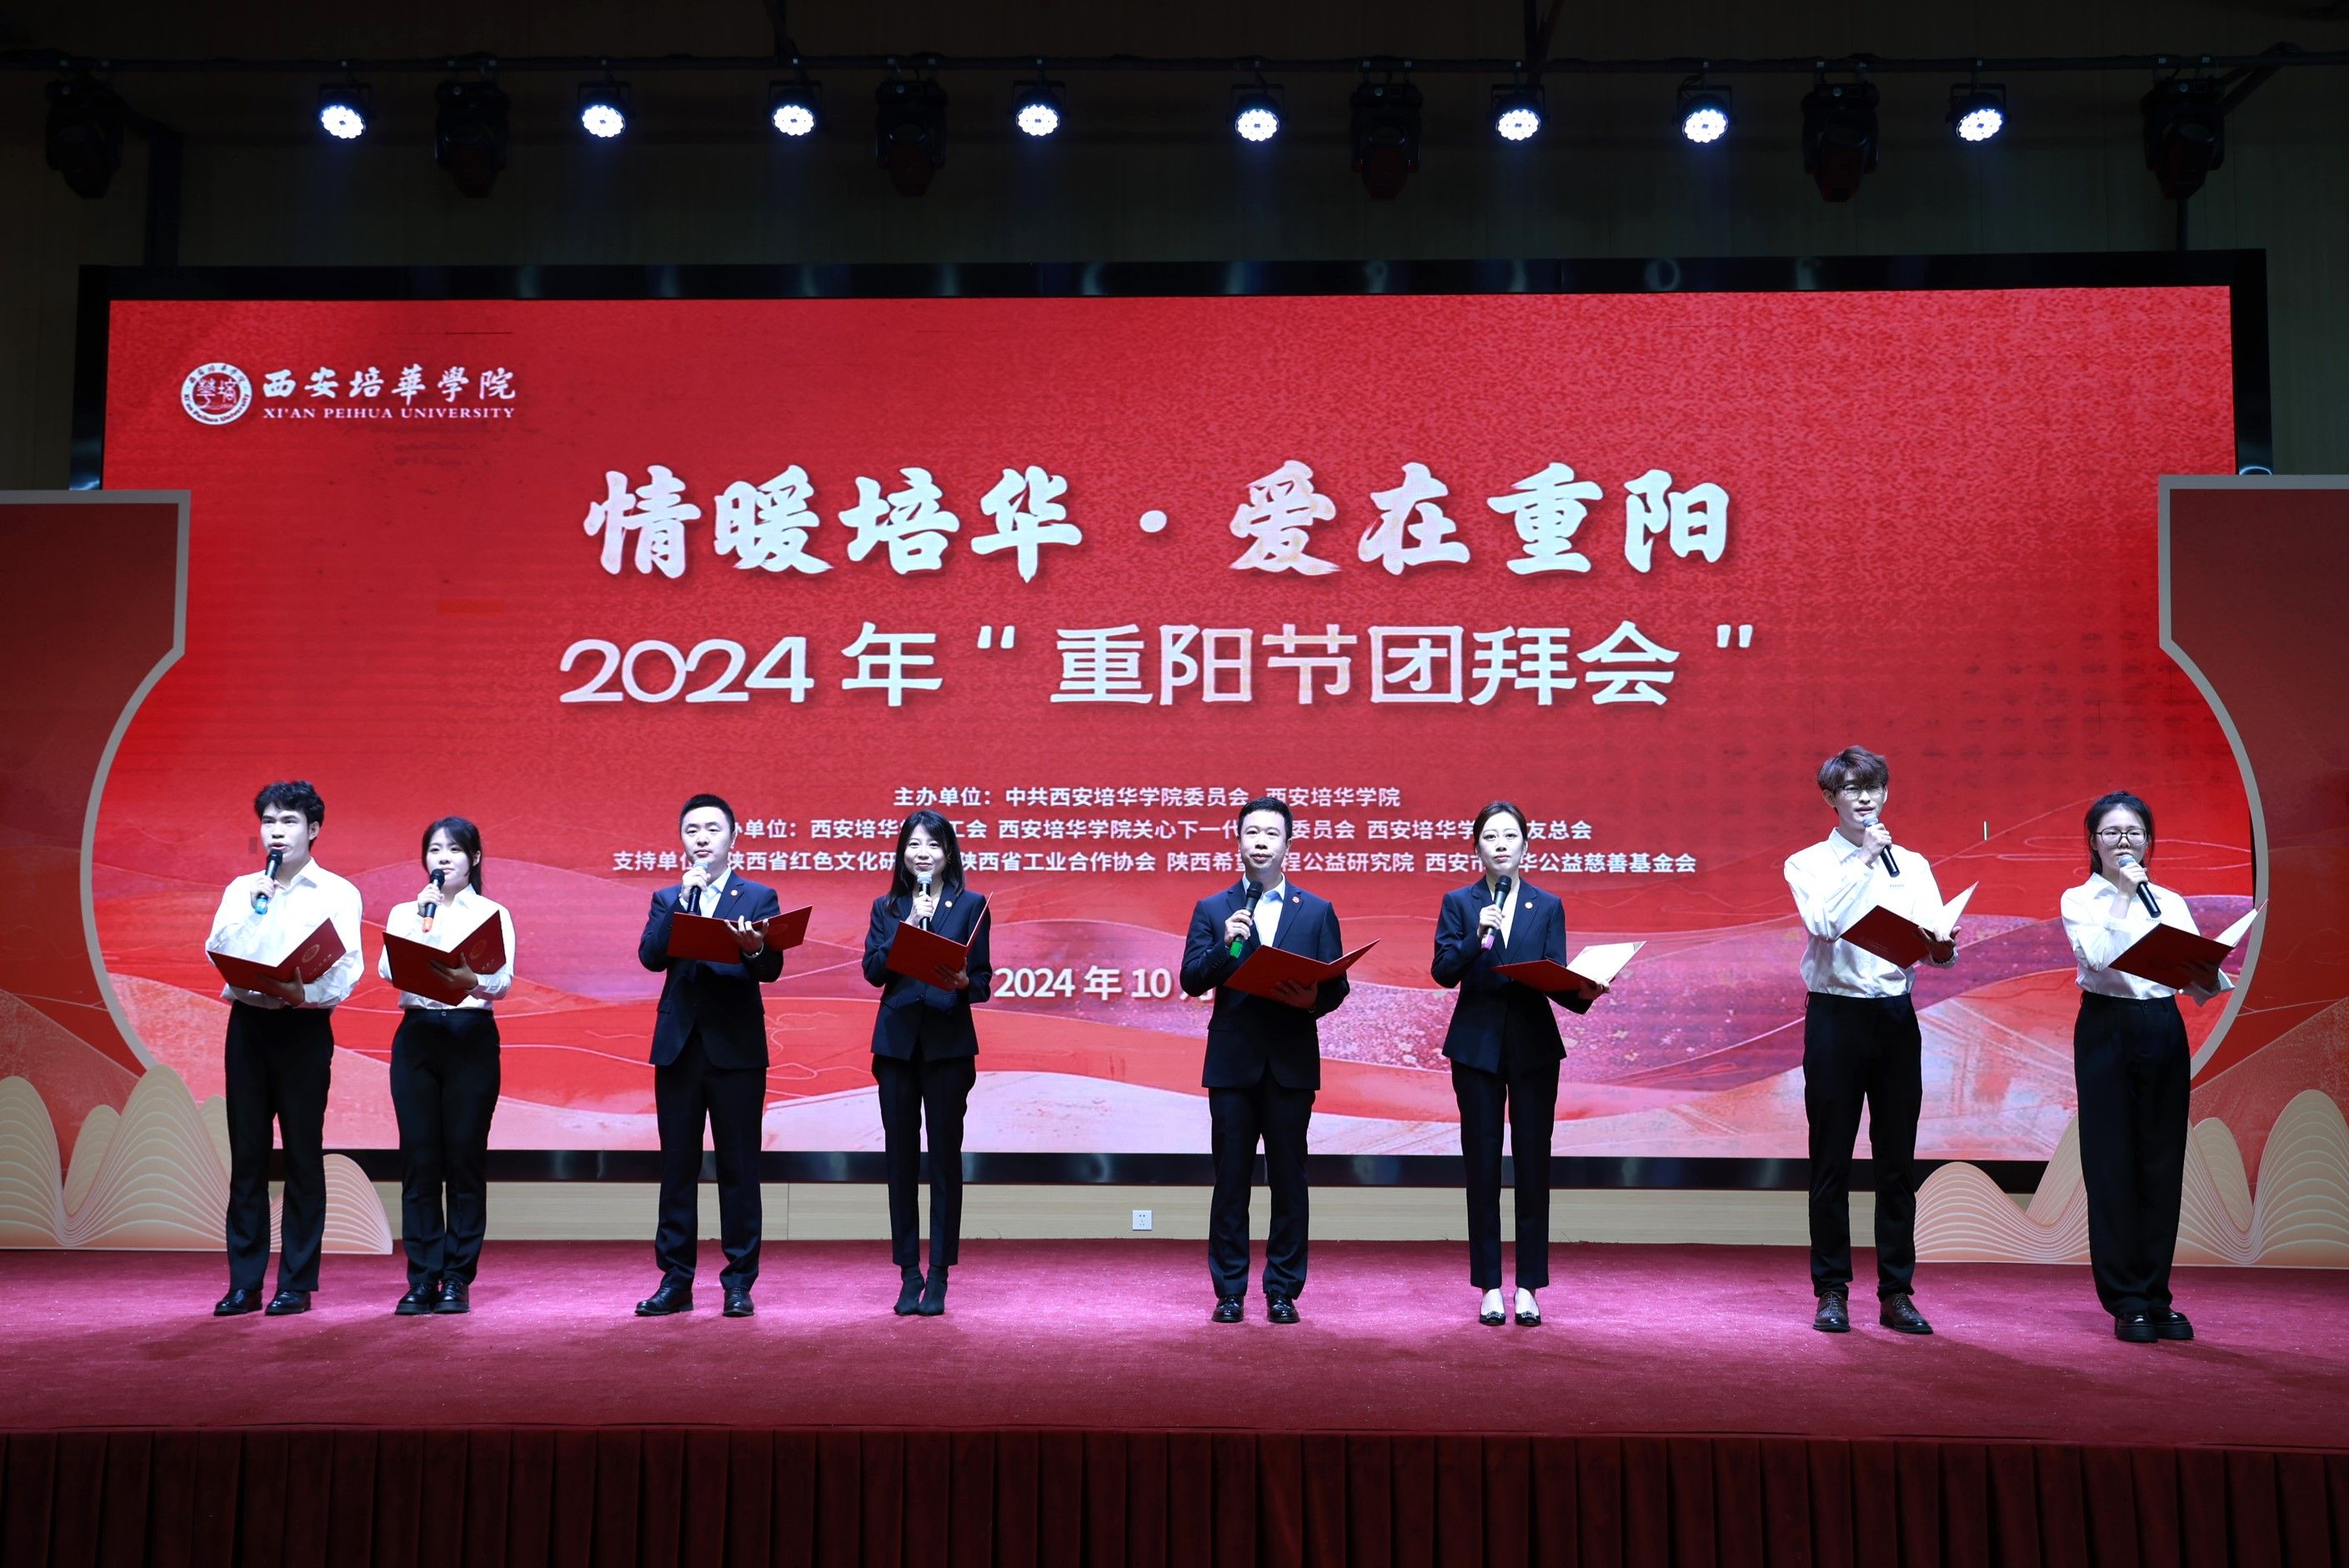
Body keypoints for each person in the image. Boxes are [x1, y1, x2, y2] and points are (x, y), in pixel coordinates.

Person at [1783, 746, 1958, 1336]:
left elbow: (1935, 944)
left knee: (1896, 1161)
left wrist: (1943, 947)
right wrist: (1861, 859)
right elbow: (1823, 924)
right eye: (1852, 789)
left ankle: (1897, 1291)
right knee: (1831, 1159)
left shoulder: (1912, 863)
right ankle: (1832, 1290)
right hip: (1835, 1016)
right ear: (1830, 798)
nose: (1866, 798)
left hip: (1894, 1016)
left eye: (1874, 787)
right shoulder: (1808, 863)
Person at [2060, 790, 2231, 1344]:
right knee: (2111, 1163)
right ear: (2094, 842)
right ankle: (2126, 1299)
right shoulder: (2079, 899)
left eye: (2134, 832)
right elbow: (2097, 958)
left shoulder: (2170, 902)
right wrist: (2123, 896)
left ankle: (2157, 1296)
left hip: (2161, 1024)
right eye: (2112, 833)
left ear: (2148, 841)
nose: (2124, 842)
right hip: (2106, 1026)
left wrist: (2209, 972)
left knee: (2162, 1161)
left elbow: (2193, 979)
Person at [1179, 796, 1350, 1325]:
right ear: (1238, 842)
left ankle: (1283, 1290)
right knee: (1230, 1180)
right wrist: (1224, 946)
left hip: (1290, 1063)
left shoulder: (1316, 910)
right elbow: (1192, 979)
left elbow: (1337, 986)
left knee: (1289, 1180)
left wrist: (1312, 1001)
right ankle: (1229, 1290)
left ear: (1288, 846)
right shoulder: (1214, 909)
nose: (1260, 842)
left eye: (1271, 834)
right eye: (1251, 833)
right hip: (1233, 1064)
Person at [1431, 802, 1603, 1327]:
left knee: (1533, 1165)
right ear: (1477, 847)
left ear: (1526, 845)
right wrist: (1474, 936)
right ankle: (1489, 1286)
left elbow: (1555, 978)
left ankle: (1528, 1286)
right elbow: (1443, 971)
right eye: (1491, 837)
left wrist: (1587, 987)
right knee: (1482, 1168)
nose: (1501, 845)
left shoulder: (1546, 905)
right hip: (1476, 1048)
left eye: (1510, 836)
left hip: (1533, 1048)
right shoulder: (1460, 903)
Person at [205, 780, 364, 1317]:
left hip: (304, 1028)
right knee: (248, 1156)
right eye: (269, 821)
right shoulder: (242, 890)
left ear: (313, 829)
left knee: (302, 1154)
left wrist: (305, 994)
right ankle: (244, 1283)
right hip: (249, 1027)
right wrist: (257, 911)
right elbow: (219, 951)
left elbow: (346, 968)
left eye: (289, 821)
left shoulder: (337, 892)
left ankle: (296, 1283)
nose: (276, 831)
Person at [634, 794, 786, 1319]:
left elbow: (770, 969)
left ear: (733, 837)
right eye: (692, 830)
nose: (702, 838)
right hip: (679, 1048)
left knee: (739, 1167)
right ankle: (675, 1280)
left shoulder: (758, 896)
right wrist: (683, 902)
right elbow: (651, 956)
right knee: (677, 1167)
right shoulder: (668, 897)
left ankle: (739, 1281)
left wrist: (751, 948)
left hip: (736, 1049)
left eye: (713, 829)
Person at [378, 817, 515, 1316]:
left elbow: (502, 982)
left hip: (469, 1034)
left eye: (454, 850)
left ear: (474, 858)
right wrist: (420, 919)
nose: (443, 859)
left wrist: (470, 979)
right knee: (419, 1160)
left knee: (463, 1159)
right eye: (434, 850)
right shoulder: (406, 911)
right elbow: (389, 970)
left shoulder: (493, 913)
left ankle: (457, 1277)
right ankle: (422, 1278)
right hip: (418, 1035)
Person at [860, 810, 994, 1316]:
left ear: (948, 853)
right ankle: (908, 1273)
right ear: (902, 853)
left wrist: (964, 984)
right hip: (896, 1047)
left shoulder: (971, 905)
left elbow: (982, 980)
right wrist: (907, 930)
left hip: (947, 1046)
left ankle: (938, 1274)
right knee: (900, 1162)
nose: (923, 853)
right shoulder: (888, 907)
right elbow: (873, 971)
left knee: (943, 1161)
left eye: (934, 845)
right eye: (914, 845)